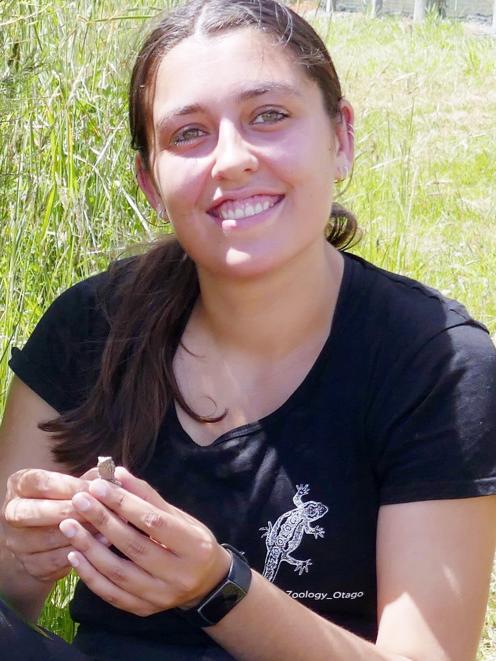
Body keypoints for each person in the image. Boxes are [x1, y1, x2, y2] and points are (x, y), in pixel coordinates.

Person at [1, 1, 495, 659]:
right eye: (188, 134)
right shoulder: (89, 328)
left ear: (340, 137)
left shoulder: (437, 364)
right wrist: (22, 558)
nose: (231, 160)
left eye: (269, 116)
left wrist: (217, 585)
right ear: (151, 180)